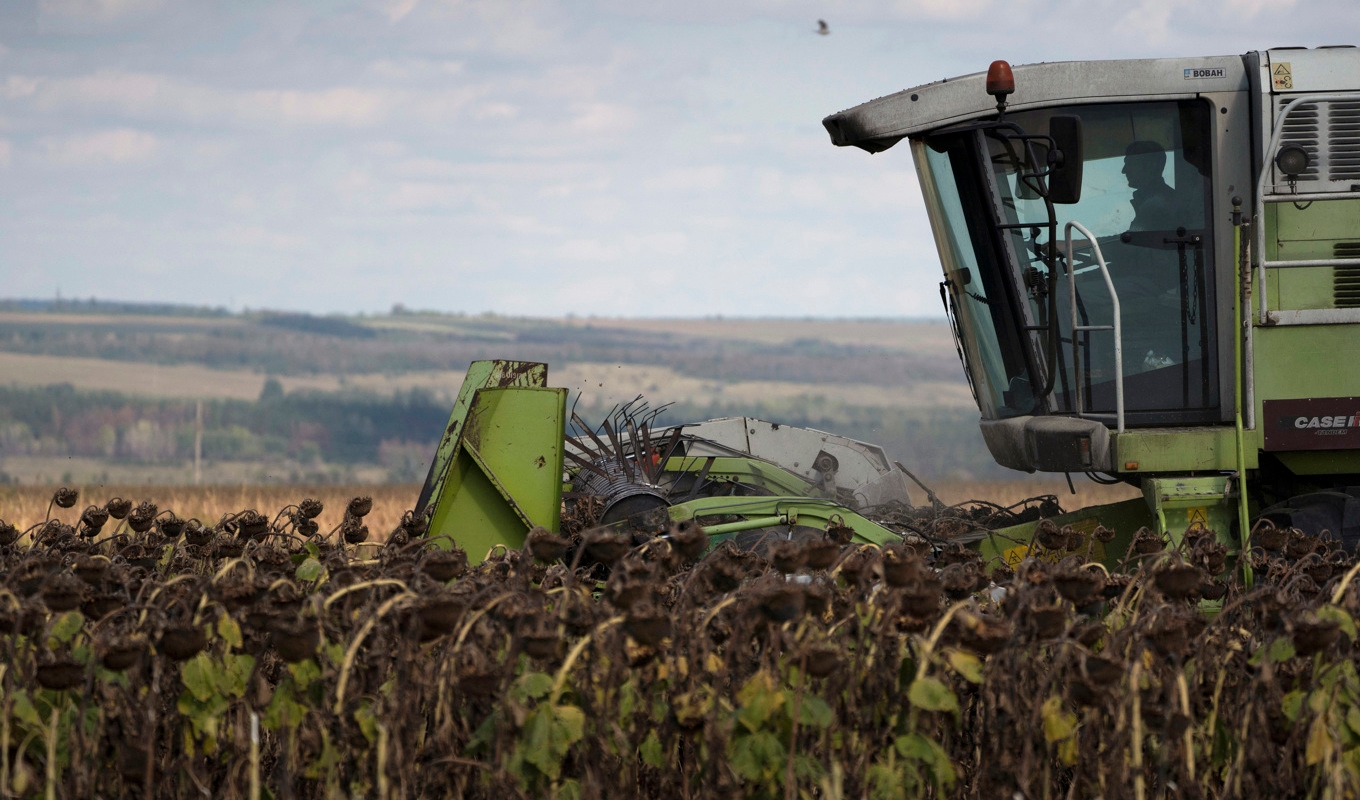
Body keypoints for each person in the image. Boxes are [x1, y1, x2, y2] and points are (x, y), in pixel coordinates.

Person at [1121, 140, 1178, 231]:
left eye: (1130, 163)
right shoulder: (1167, 198)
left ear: (1151, 165)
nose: (1124, 170)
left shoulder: (1155, 205)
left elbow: (1135, 241)